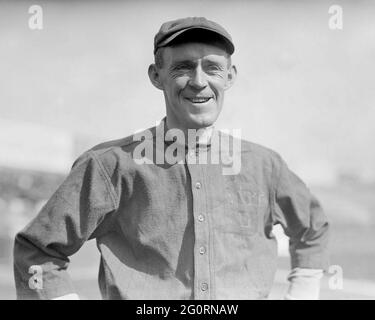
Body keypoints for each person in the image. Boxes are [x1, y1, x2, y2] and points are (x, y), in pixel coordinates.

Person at [13, 17, 329, 300]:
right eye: (183, 67)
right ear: (156, 75)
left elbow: (312, 228)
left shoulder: (264, 165)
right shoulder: (110, 164)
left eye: (213, 68)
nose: (199, 81)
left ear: (230, 76)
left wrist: (302, 290)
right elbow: (37, 250)